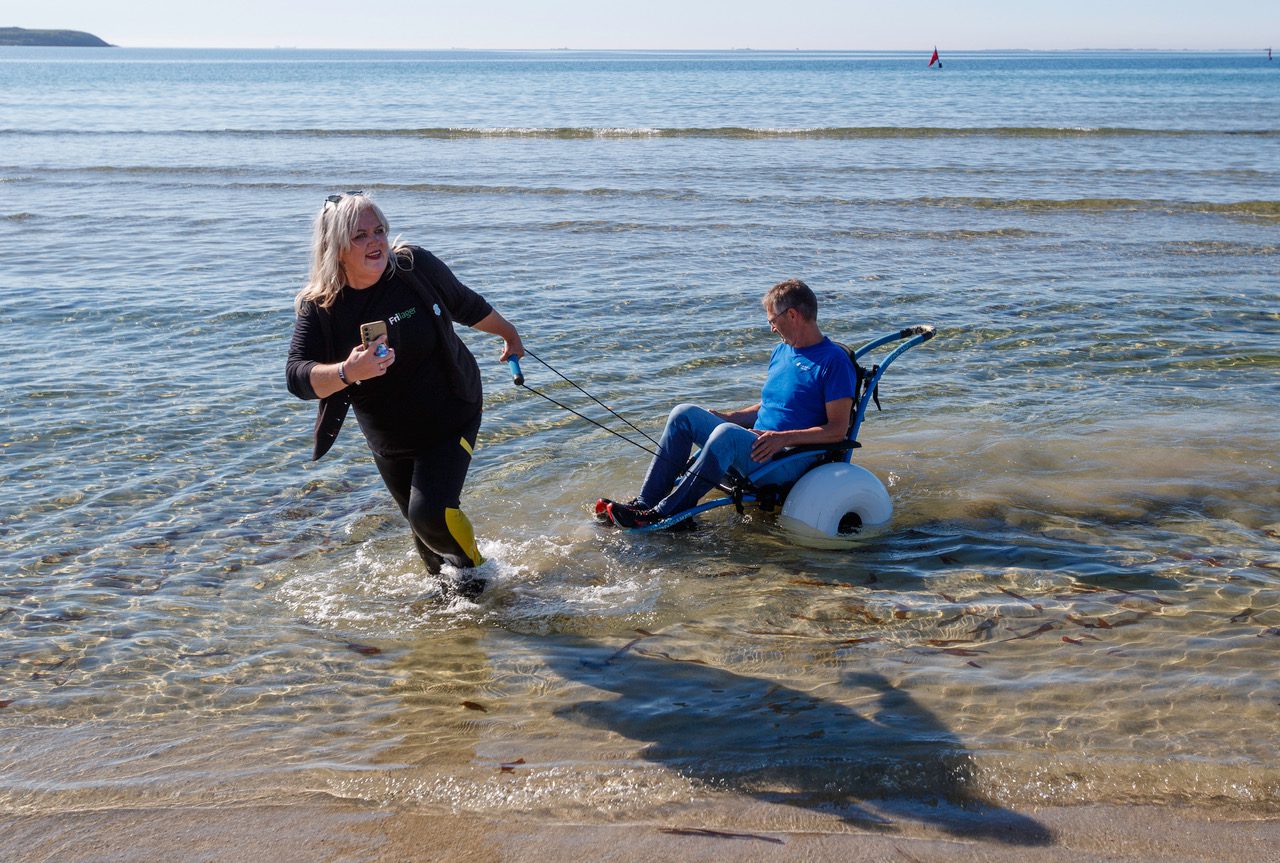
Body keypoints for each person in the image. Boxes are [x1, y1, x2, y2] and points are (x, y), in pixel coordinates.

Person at [286, 191, 523, 597]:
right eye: (360, 236)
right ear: (336, 247)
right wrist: (348, 371)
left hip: (452, 410)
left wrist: (509, 334)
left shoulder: (413, 267)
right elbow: (298, 377)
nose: (375, 242)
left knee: (429, 514)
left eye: (379, 230)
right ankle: (452, 628)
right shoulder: (321, 305)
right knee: (425, 540)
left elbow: (464, 303)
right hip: (390, 436)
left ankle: (482, 578)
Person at [601, 279, 856, 529]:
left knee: (727, 435)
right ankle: (645, 503)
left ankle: (666, 515)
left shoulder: (834, 362)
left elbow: (837, 430)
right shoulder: (781, 352)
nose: (772, 329)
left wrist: (781, 438)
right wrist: (728, 416)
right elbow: (769, 406)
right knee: (685, 414)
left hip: (791, 459)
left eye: (772, 321)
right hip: (759, 447)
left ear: (792, 315)